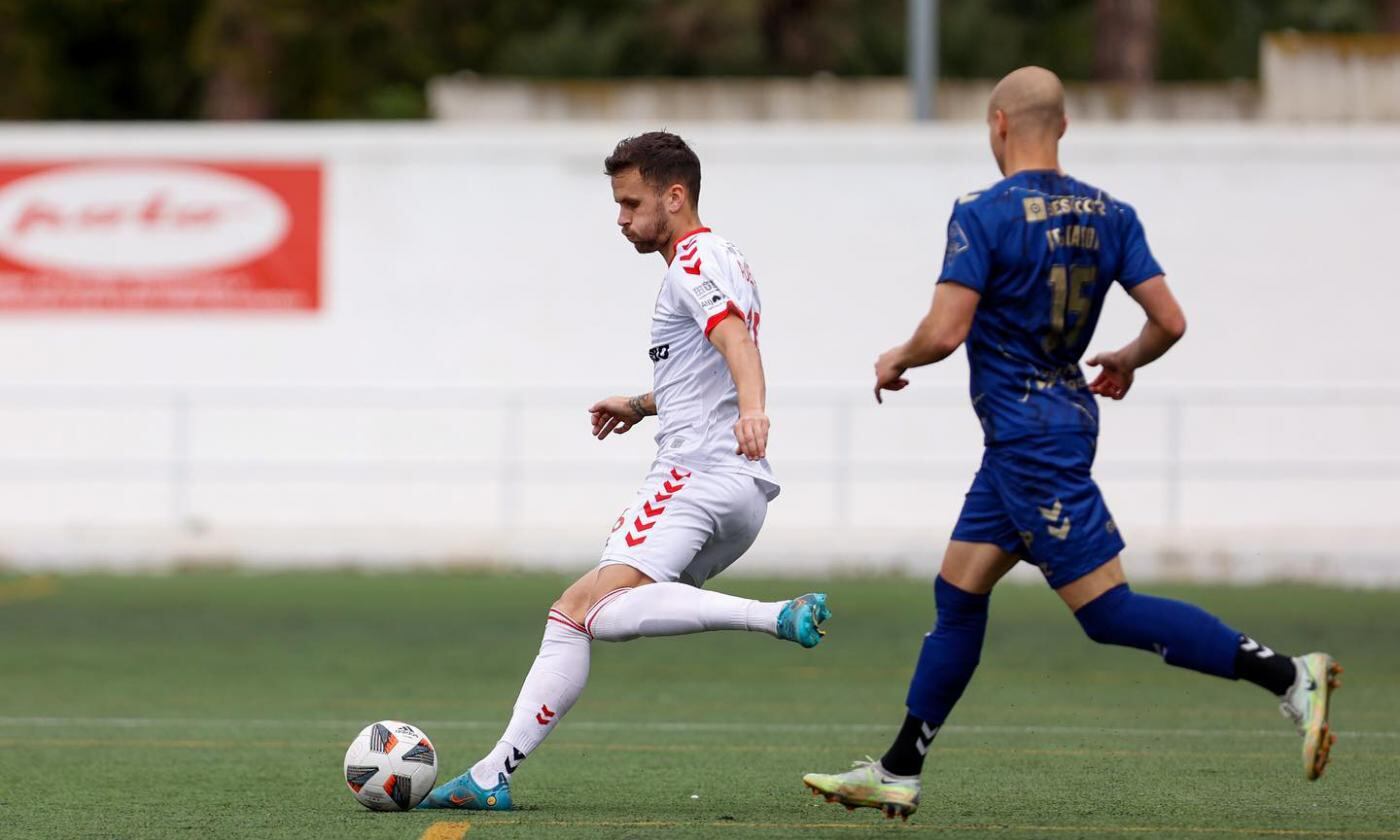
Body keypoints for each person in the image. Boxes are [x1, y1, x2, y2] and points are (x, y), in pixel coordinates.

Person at [801, 67, 1340, 821]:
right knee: (957, 593)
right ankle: (899, 767)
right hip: (1056, 422)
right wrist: (1125, 357)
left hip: (1027, 438)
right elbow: (1171, 322)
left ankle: (1289, 675)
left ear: (997, 124)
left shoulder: (980, 211)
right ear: (1062, 126)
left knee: (1107, 612)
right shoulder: (1111, 214)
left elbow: (948, 330)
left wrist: (899, 356)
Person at [420, 130, 831, 811]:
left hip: (694, 477)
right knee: (574, 613)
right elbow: (709, 362)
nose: (621, 218)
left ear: (675, 197)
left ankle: (774, 615)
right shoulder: (721, 255)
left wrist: (755, 411)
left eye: (631, 202)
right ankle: (491, 774)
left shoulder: (691, 264)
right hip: (741, 492)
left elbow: (734, 341)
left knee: (595, 612)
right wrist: (643, 403)